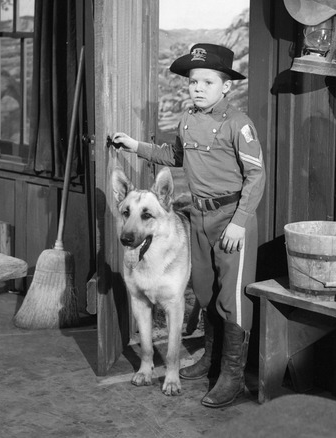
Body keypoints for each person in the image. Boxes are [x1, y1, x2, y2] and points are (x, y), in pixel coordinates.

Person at [112, 43, 264, 408]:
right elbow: (173, 156)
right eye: (193, 81)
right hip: (198, 217)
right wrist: (135, 146)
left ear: (225, 86)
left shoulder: (238, 124)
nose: (197, 88)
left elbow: (256, 176)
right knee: (205, 291)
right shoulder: (187, 120)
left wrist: (240, 223)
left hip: (231, 219)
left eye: (207, 82)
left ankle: (232, 375)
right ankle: (210, 361)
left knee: (233, 300)